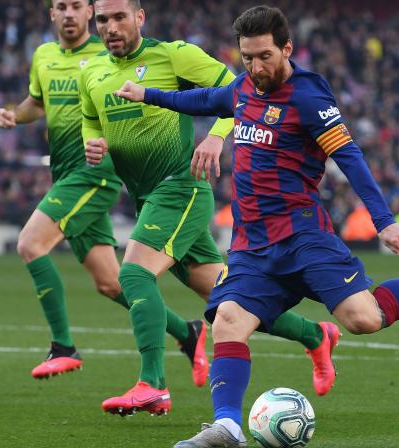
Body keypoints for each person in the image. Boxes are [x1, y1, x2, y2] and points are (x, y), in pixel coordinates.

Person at [114, 6, 399, 446]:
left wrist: (385, 223)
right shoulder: (243, 88)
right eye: (247, 57)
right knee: (227, 320)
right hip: (253, 245)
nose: (255, 67)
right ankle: (226, 427)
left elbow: (349, 155)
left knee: (363, 319)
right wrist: (147, 94)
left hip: (303, 236)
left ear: (286, 48)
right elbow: (204, 99)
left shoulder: (308, 97)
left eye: (264, 56)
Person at [82, 0, 338, 417]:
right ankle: (316, 336)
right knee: (227, 301)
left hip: (181, 187)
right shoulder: (91, 73)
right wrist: (95, 142)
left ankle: (153, 384)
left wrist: (218, 136)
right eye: (103, 20)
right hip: (146, 197)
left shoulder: (173, 54)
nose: (110, 27)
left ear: (139, 18)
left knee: (132, 272)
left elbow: (241, 91)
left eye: (119, 17)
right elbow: (91, 120)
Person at [0, 0, 207, 383]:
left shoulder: (106, 52)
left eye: (78, 6)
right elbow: (36, 103)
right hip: (64, 174)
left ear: (89, 13)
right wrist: (14, 114)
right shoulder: (43, 56)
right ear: (52, 14)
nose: (71, 13)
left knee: (30, 243)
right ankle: (187, 332)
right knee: (111, 283)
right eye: (62, 6)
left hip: (95, 173)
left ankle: (63, 346)